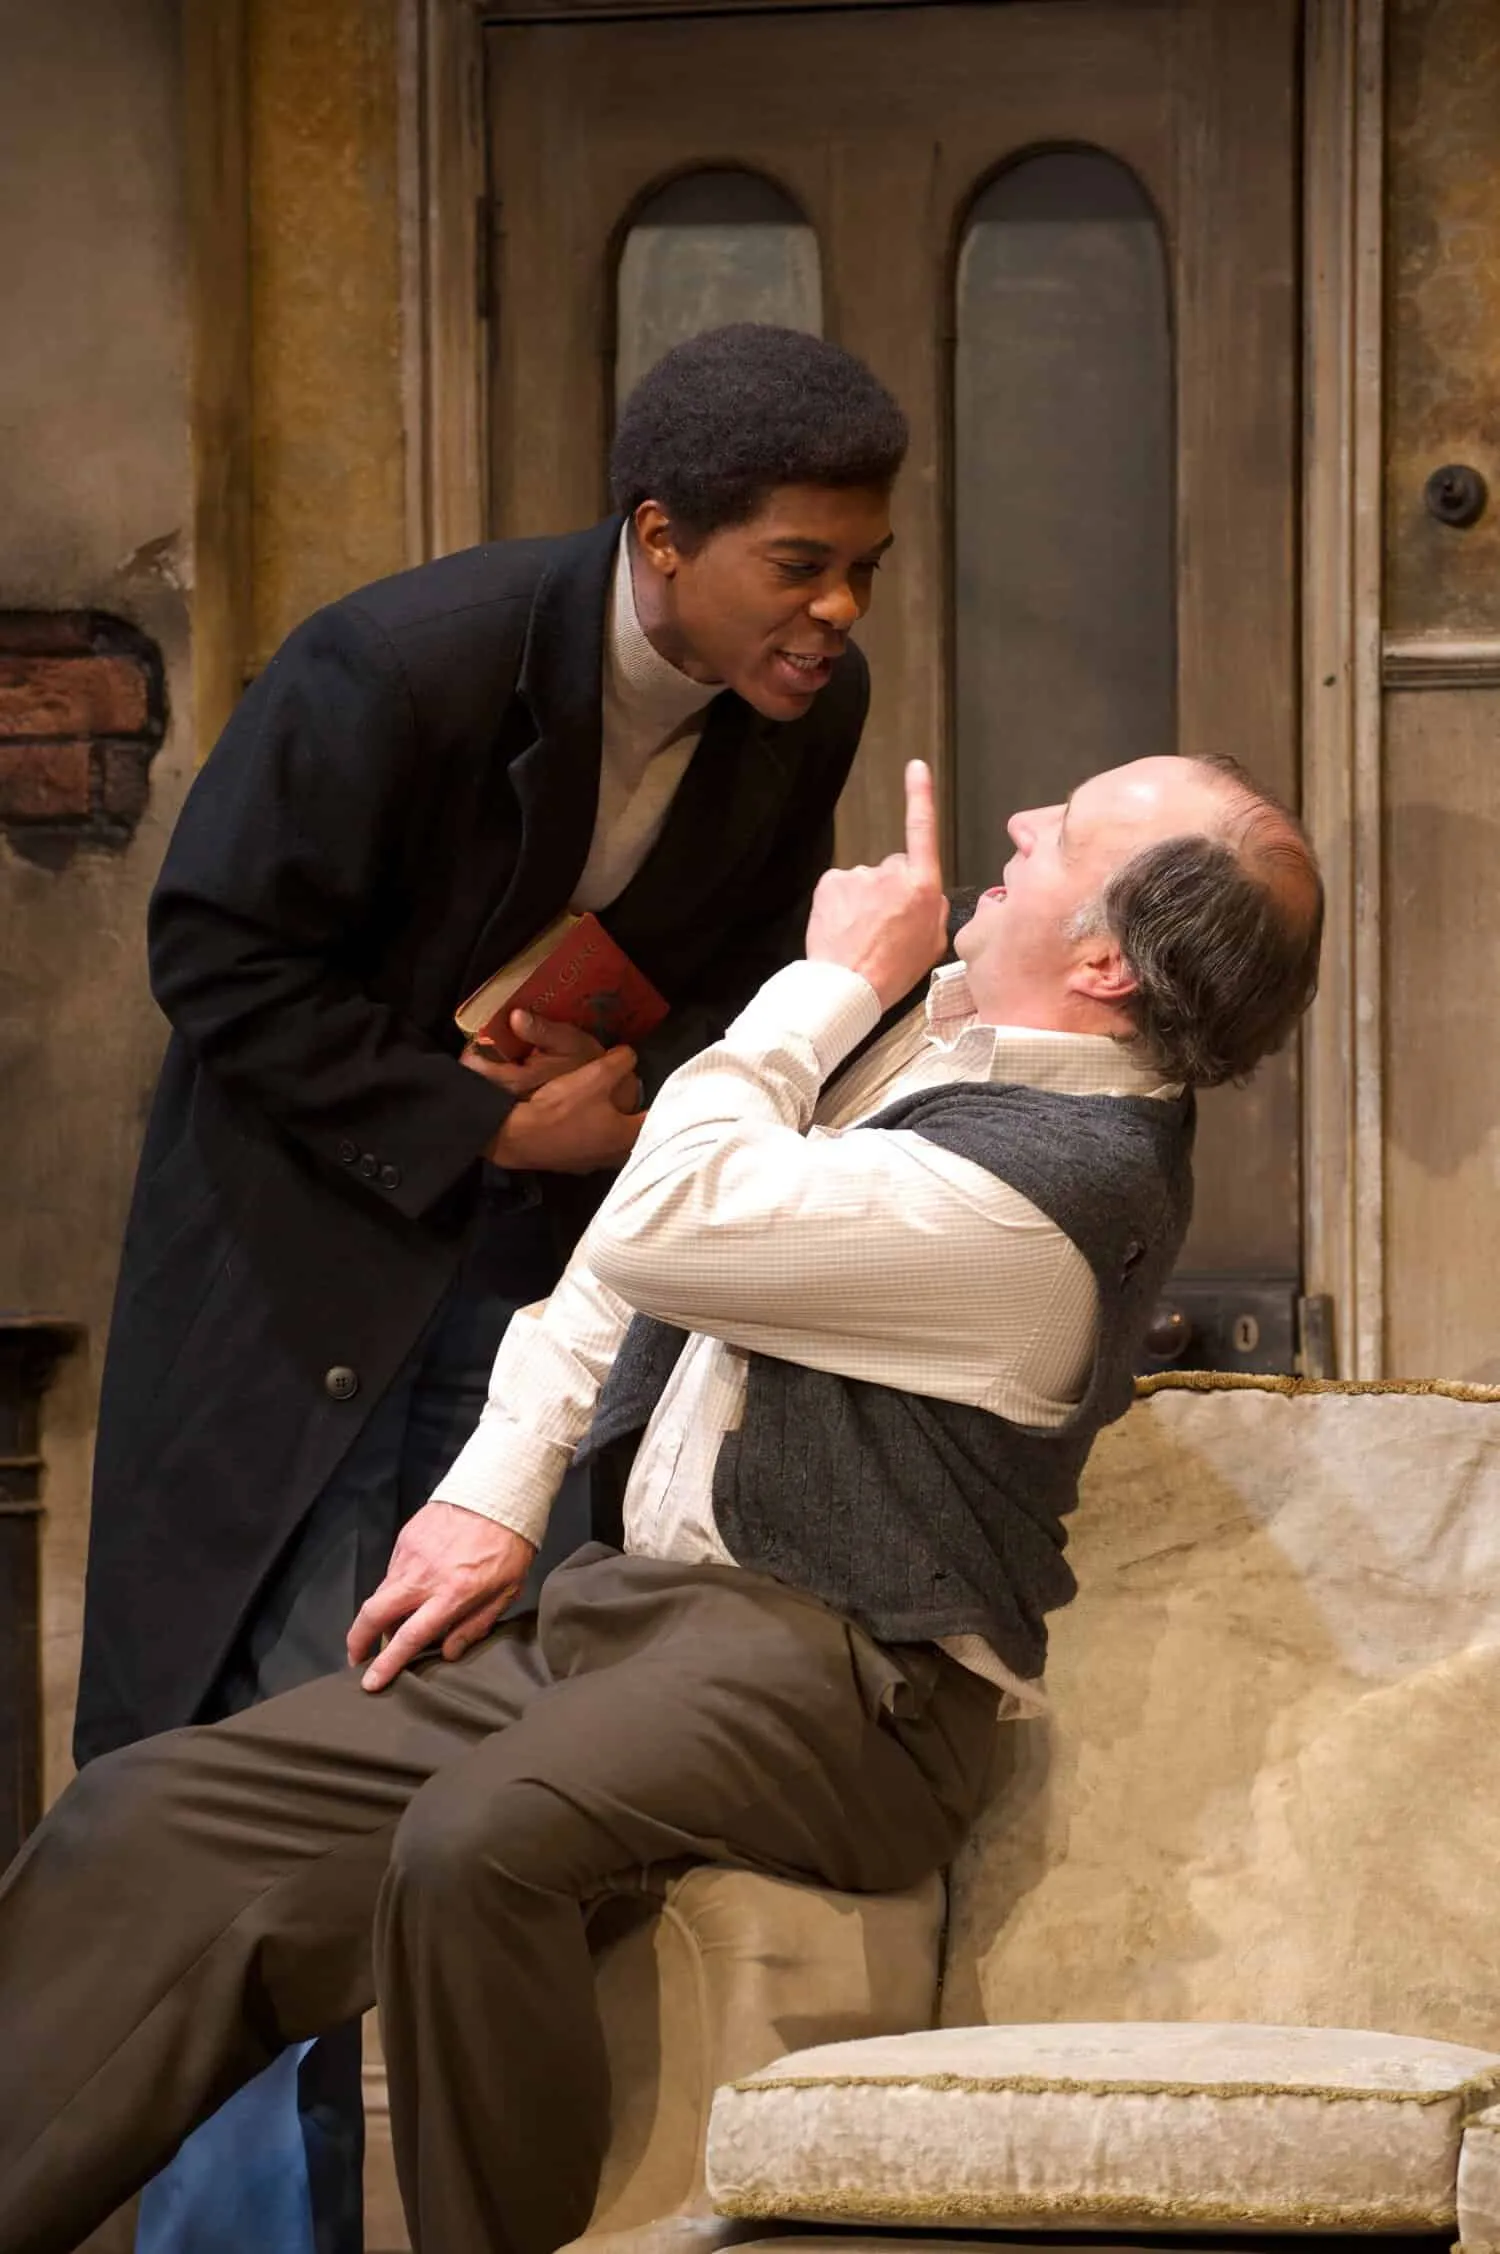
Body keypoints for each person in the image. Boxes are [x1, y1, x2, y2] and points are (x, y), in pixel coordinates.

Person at [0, 755, 1323, 2254]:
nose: (1019, 823)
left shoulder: (1057, 1199)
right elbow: (636, 1270)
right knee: (147, 1817)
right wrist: (497, 1489)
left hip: (851, 1682)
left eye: (1065, 830)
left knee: (476, 1840)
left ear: (1104, 962)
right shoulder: (947, 1043)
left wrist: (823, 987)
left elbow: (663, 1220)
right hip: (630, 1618)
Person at [72, 323, 907, 2251]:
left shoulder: (811, 704)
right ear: (661, 536)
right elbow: (216, 951)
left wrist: (636, 1100)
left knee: (491, 1805)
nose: (839, 612)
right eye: (799, 564)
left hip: (555, 1307)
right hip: (307, 1286)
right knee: (255, 1803)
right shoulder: (401, 665)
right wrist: (479, 1128)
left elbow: (738, 987)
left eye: (866, 566)